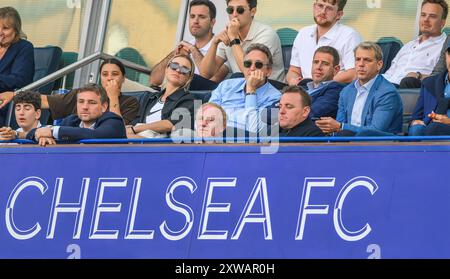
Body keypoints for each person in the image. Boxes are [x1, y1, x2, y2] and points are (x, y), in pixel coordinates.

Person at [0, 58, 140, 125]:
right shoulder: (80, 94)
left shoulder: (130, 102)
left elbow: (118, 129)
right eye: (105, 74)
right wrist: (14, 95)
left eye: (114, 74)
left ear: (123, 79)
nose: (109, 78)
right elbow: (45, 100)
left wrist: (113, 96)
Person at [315, 42, 403, 136]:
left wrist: (341, 126)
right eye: (358, 59)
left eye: (367, 60)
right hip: (348, 142)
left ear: (379, 65)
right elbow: (339, 129)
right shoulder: (346, 91)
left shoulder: (387, 93)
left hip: (380, 146)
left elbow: (375, 131)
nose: (361, 64)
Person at [199, 0, 285, 83]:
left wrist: (233, 38)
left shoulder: (266, 33)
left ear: (253, 11)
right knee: (195, 81)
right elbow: (205, 74)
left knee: (236, 78)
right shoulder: (229, 33)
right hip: (242, 86)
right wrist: (214, 43)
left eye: (240, 10)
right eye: (230, 10)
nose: (234, 14)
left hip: (269, 87)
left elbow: (250, 71)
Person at [149, 0, 228, 90]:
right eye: (192, 16)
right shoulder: (185, 46)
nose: (195, 21)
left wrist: (193, 51)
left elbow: (210, 82)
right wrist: (174, 54)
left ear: (212, 22)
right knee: (137, 95)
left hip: (197, 101)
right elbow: (154, 80)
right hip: (170, 97)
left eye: (201, 17)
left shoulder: (221, 48)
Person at [208, 43, 281, 133]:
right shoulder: (225, 86)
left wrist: (251, 90)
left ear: (268, 71)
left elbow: (253, 128)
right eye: (247, 63)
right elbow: (207, 117)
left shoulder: (276, 98)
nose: (252, 68)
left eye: (258, 64)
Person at [286, 0, 362, 86]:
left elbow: (353, 73)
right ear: (314, 7)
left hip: (333, 91)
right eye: (320, 6)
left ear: (339, 15)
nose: (323, 12)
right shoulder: (303, 33)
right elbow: (293, 70)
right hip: (304, 90)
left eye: (329, 8)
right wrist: (293, 82)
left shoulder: (349, 36)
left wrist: (319, 84)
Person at [26, 84, 126, 146]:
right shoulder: (72, 120)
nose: (85, 107)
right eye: (81, 102)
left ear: (104, 106)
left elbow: (94, 135)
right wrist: (41, 135)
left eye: (91, 102)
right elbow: (31, 133)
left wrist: (52, 132)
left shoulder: (113, 121)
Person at [127, 54, 196, 138]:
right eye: (174, 65)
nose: (178, 70)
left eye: (184, 69)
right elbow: (134, 121)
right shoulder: (151, 97)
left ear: (189, 77)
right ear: (166, 69)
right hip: (140, 137)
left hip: (161, 143)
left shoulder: (190, 100)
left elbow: (170, 124)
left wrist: (136, 129)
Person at [383, 0, 448, 89]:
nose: (426, 19)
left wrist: (419, 76)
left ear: (442, 23)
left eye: (432, 16)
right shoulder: (408, 45)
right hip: (387, 88)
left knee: (408, 81)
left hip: (410, 91)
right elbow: (389, 74)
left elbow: (441, 78)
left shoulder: (444, 47)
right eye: (423, 15)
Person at [0, 7, 35, 126]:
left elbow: (20, 80)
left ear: (16, 30)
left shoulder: (24, 47)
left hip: (6, 103)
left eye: (5, 28)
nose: (0, 32)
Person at [409, 41, 450, 136]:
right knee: (416, 129)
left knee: (434, 128)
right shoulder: (429, 83)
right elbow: (416, 117)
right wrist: (416, 122)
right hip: (429, 129)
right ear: (446, 56)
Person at [304, 46, 346, 119]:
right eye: (316, 62)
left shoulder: (336, 91)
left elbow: (311, 113)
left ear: (336, 70)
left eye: (325, 64)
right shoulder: (303, 86)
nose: (318, 67)